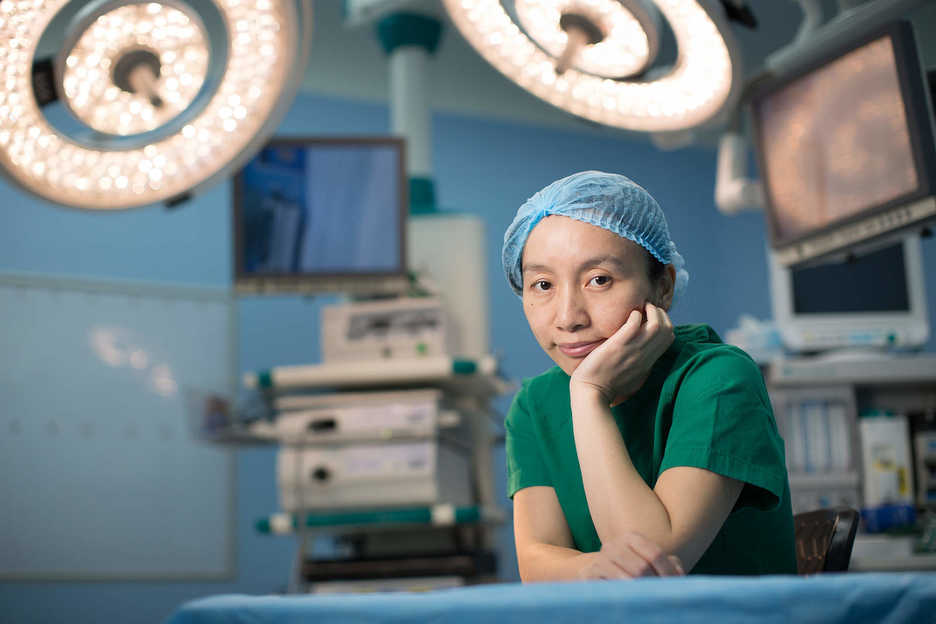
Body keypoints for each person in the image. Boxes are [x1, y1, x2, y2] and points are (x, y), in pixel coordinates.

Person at [502, 171, 796, 582]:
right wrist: (594, 568)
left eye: (599, 280)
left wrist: (588, 395)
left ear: (663, 287)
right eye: (543, 284)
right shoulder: (535, 406)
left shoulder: (719, 379)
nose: (568, 317)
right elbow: (536, 563)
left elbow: (652, 568)